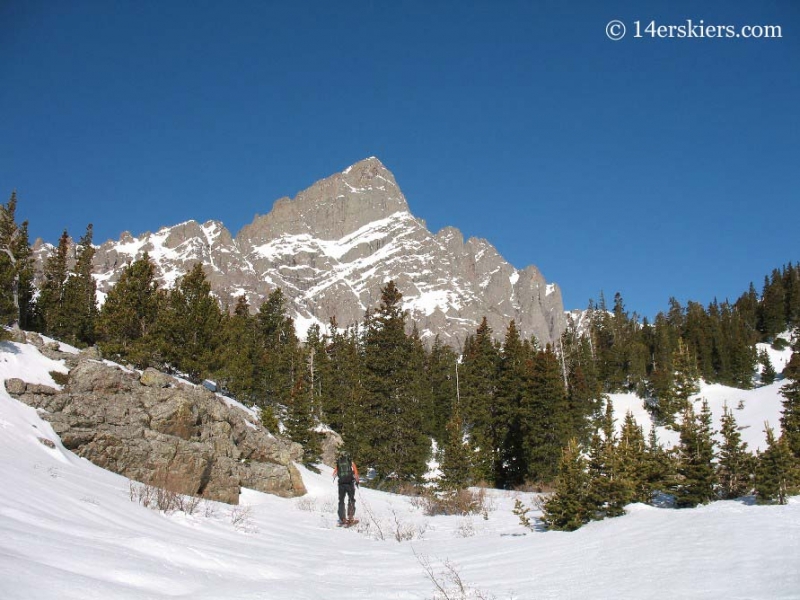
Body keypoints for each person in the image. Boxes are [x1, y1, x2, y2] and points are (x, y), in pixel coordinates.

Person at [333, 452, 360, 525]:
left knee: (341, 500)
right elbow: (356, 473)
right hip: (349, 483)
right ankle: (350, 517)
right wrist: (357, 481)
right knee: (351, 499)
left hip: (341, 484)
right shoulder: (350, 461)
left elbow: (334, 474)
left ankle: (342, 518)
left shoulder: (339, 462)